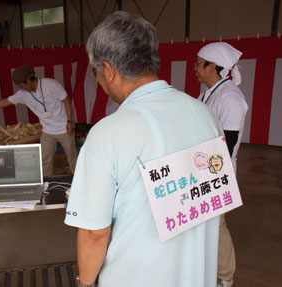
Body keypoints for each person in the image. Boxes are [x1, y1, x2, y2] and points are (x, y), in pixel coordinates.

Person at [64, 11, 225, 287]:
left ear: (110, 70)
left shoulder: (107, 133)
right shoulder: (205, 116)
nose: (99, 81)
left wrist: (86, 283)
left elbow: (94, 234)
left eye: (97, 74)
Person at [194, 42, 248, 287]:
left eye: (198, 63)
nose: (194, 67)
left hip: (217, 174)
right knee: (202, 224)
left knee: (216, 225)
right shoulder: (208, 92)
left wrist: (209, 176)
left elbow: (227, 145)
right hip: (202, 170)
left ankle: (225, 277)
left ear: (212, 66)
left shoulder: (230, 98)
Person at [0, 64, 77, 176]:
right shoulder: (23, 94)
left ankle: (79, 183)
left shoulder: (50, 84)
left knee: (72, 158)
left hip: (64, 128)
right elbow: (6, 102)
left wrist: (70, 121)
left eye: (22, 85)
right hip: (48, 131)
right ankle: (48, 184)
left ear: (28, 80)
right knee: (45, 160)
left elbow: (66, 100)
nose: (21, 88)